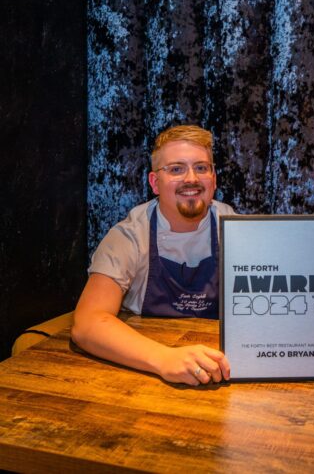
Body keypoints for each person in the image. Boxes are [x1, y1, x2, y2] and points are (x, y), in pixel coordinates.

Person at [72, 125, 234, 386]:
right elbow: (88, 323)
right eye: (176, 169)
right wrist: (164, 359)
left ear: (214, 179)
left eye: (201, 168)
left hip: (214, 365)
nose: (191, 178)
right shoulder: (130, 236)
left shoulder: (235, 228)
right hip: (140, 368)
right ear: (154, 183)